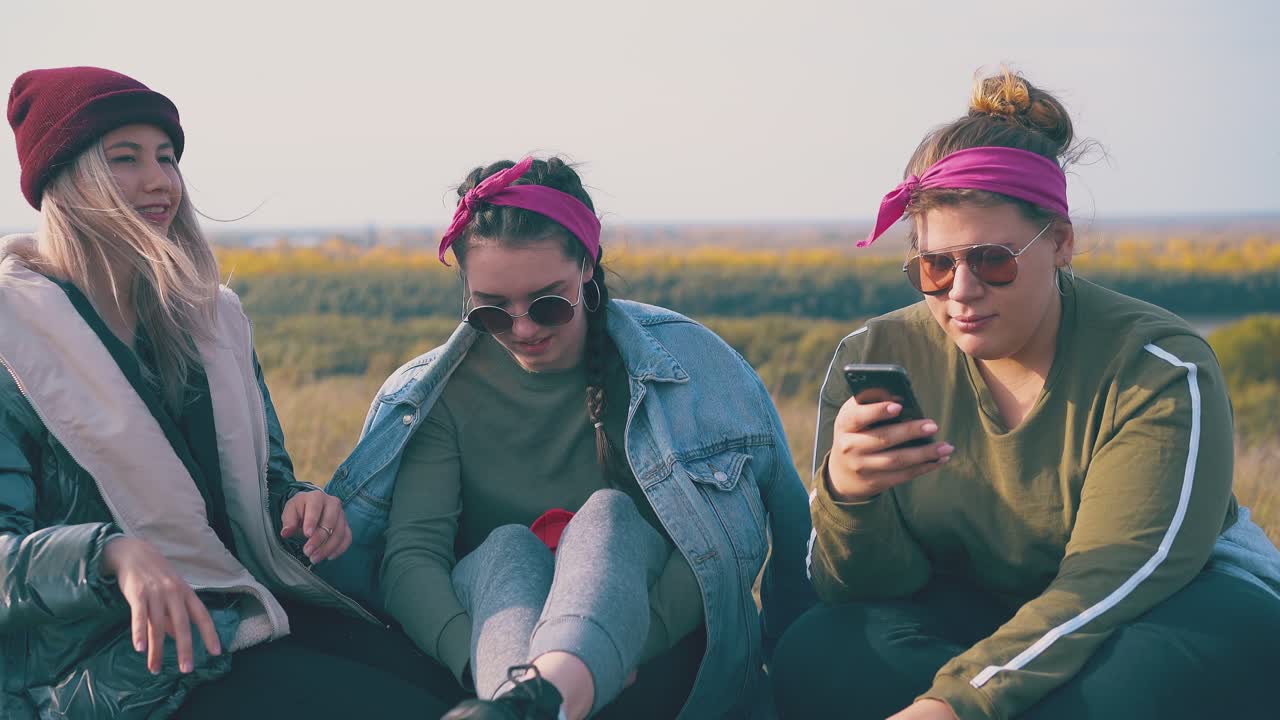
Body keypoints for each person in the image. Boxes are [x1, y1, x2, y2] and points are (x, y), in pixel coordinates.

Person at [771, 70, 1280, 719]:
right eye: (935, 266)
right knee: (820, 652)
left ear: (1061, 242)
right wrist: (850, 495)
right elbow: (867, 590)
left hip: (1163, 609)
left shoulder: (1157, 365)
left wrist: (952, 704)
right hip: (984, 605)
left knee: (1136, 688)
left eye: (992, 260)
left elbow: (1114, 579)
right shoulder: (873, 357)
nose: (960, 290)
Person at [0, 66, 462, 719]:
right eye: (124, 159)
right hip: (112, 669)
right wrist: (110, 553)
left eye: (166, 157)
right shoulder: (10, 342)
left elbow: (266, 479)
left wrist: (300, 505)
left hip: (244, 611)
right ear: (65, 180)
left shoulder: (210, 323)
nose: (159, 180)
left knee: (450, 688)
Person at [317, 156, 816, 719]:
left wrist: (614, 651)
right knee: (506, 548)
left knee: (607, 518)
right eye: (492, 311)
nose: (524, 328)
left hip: (656, 663)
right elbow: (412, 560)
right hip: (493, 656)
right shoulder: (432, 397)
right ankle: (521, 703)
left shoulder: (693, 368)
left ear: (586, 264)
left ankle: (537, 699)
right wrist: (468, 658)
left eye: (547, 303)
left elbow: (734, 545)